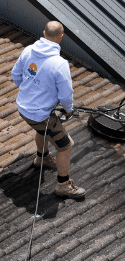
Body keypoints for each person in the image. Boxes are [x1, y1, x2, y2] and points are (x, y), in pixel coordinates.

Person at [11, 21, 85, 199]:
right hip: (40, 114)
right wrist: (68, 110)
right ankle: (63, 185)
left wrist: (30, 92)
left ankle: (42, 158)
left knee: (43, 130)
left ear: (44, 33)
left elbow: (16, 74)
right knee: (66, 145)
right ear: (61, 37)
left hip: (23, 108)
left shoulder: (28, 50)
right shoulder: (59, 63)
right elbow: (66, 94)